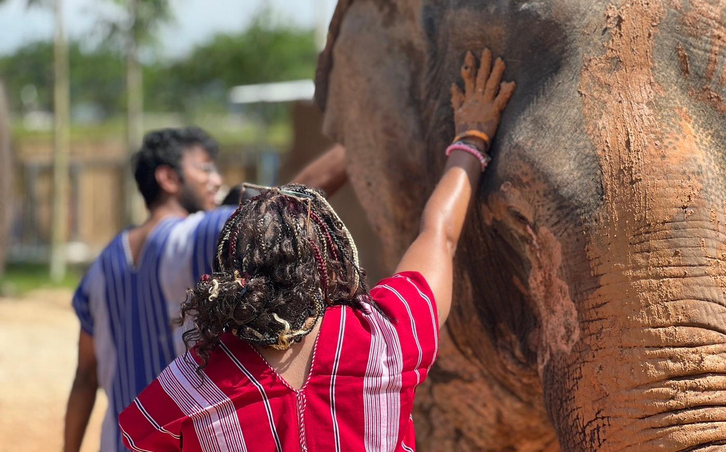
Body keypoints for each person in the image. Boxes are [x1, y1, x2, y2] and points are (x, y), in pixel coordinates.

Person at [118, 48, 515, 451]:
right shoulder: (386, 336)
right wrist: (472, 137)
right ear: (330, 262)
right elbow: (438, 235)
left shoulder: (192, 385)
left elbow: (138, 435)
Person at [64, 127, 347, 452]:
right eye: (205, 167)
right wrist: (357, 142)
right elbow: (283, 210)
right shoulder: (192, 237)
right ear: (168, 178)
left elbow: (85, 377)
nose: (217, 180)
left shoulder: (101, 266)